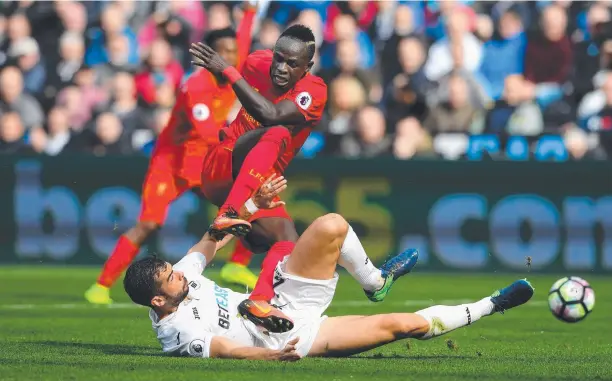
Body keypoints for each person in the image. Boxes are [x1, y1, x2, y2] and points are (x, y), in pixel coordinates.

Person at [123, 176, 535, 361]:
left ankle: (375, 281)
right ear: (159, 299)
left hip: (281, 301)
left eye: (173, 269)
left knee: (333, 225)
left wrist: (253, 206)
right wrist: (269, 360)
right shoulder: (177, 333)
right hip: (289, 339)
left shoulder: (178, 278)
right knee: (401, 326)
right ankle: (492, 304)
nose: (180, 273)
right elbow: (226, 350)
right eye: (172, 277)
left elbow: (211, 240)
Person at [85, 4, 259, 305]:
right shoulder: (196, 89)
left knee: (250, 199)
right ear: (209, 56)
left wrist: (249, 13)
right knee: (148, 224)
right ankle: (100, 286)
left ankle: (237, 264)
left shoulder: (232, 67)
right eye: (223, 52)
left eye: (233, 52)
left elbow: (241, 41)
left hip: (204, 163)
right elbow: (208, 133)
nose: (230, 57)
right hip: (171, 164)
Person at [188, 24, 329, 324]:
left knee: (287, 239)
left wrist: (227, 71)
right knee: (278, 133)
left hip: (251, 183)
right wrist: (219, 70)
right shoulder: (255, 63)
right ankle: (228, 213)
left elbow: (272, 113)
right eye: (279, 59)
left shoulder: (314, 91)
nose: (281, 68)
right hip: (221, 163)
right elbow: (225, 77)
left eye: (292, 64)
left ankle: (259, 301)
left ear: (308, 67)